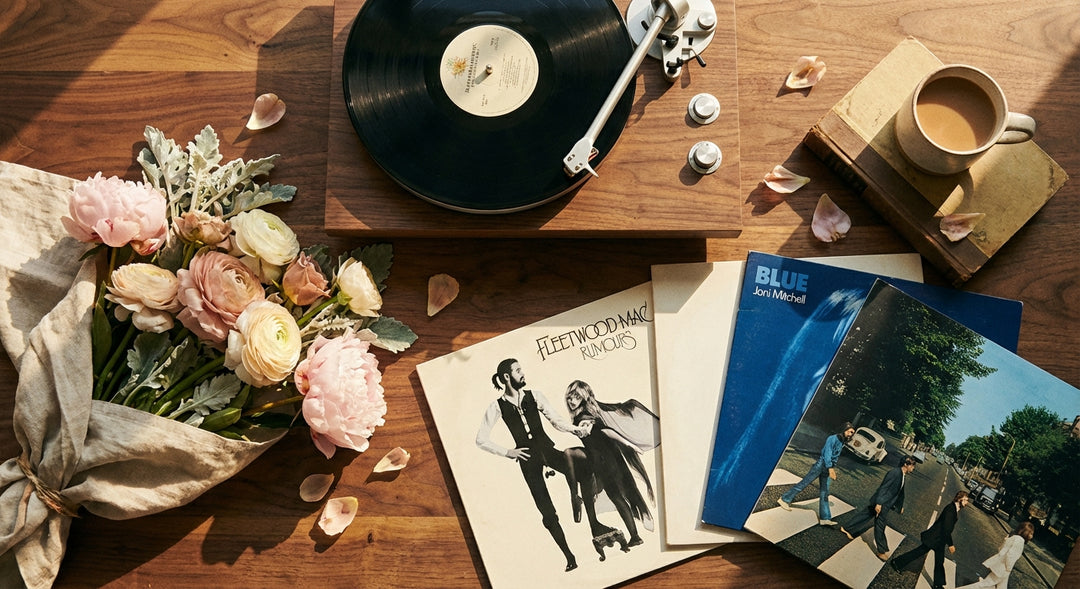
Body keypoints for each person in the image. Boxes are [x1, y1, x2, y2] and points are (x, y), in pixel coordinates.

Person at [475, 359, 591, 572]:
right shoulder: (497, 406)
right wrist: (509, 452)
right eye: (518, 370)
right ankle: (569, 556)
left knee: (579, 466)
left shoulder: (535, 395)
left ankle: (575, 496)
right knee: (547, 511)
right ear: (507, 377)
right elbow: (481, 439)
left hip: (547, 450)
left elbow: (556, 420)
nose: (523, 373)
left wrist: (576, 430)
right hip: (528, 461)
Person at [564, 379, 659, 556]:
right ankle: (635, 536)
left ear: (584, 398)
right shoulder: (582, 415)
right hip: (604, 461)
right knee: (618, 497)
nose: (572, 400)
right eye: (570, 396)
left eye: (576, 396)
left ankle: (635, 536)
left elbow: (607, 431)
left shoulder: (584, 416)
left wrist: (630, 444)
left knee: (618, 496)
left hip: (606, 462)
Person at [776, 422, 856, 526]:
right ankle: (784, 499)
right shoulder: (832, 438)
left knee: (825, 492)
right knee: (805, 483)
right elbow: (827, 454)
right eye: (850, 432)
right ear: (844, 429)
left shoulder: (841, 441)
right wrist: (831, 468)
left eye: (852, 433)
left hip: (827, 467)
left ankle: (825, 518)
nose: (851, 434)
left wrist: (831, 467)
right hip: (821, 465)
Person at [840, 456, 917, 560]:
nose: (913, 468)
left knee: (865, 515)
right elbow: (884, 488)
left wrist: (899, 507)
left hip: (885, 502)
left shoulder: (902, 475)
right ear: (906, 464)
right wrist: (879, 503)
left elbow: (899, 493)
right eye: (912, 465)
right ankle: (881, 551)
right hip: (883, 503)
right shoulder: (894, 473)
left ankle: (846, 528)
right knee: (880, 525)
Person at [890, 490, 971, 589]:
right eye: (966, 500)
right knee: (919, 552)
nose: (967, 503)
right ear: (959, 499)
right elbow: (946, 529)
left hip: (939, 540)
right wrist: (950, 544)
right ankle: (897, 563)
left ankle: (938, 584)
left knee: (939, 561)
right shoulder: (951, 509)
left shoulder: (954, 508)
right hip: (935, 538)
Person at [955, 521, 1035, 589]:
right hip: (1003, 569)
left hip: (1000, 567)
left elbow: (1000, 549)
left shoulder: (1013, 537)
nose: (1032, 536)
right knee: (983, 585)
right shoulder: (1020, 541)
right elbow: (1010, 555)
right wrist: (1009, 568)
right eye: (1031, 533)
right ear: (1025, 532)